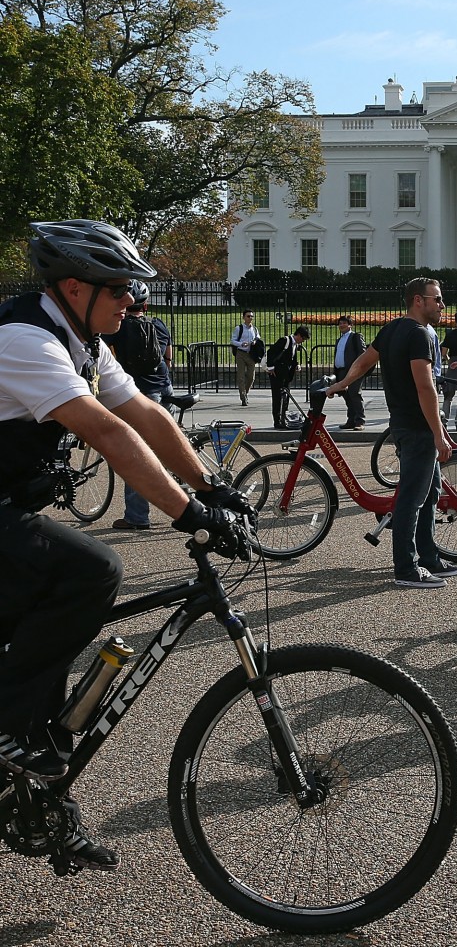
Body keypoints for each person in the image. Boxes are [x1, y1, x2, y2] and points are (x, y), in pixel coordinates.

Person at [0, 219, 255, 872]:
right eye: (119, 290)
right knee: (91, 569)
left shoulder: (82, 338)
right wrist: (190, 513)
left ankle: (41, 808)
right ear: (75, 287)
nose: (131, 302)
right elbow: (106, 432)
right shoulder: (25, 338)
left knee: (50, 655)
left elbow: (143, 413)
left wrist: (213, 485)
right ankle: (12, 728)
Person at [326, 277, 457, 589]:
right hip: (417, 427)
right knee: (412, 500)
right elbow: (425, 387)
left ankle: (429, 558)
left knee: (429, 495)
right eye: (436, 299)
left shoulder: (392, 329)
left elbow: (363, 362)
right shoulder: (419, 335)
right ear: (417, 300)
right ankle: (406, 568)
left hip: (402, 423)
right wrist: (438, 433)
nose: (442, 305)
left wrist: (342, 383)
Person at [101, 280, 171, 530]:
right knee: (169, 444)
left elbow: (107, 359)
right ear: (147, 305)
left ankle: (137, 517)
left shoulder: (117, 327)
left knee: (135, 454)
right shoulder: (158, 325)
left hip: (139, 392)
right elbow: (168, 358)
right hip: (164, 387)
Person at [266, 324, 310, 429]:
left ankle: (283, 418)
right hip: (276, 373)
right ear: (298, 335)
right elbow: (271, 352)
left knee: (285, 398)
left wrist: (296, 365)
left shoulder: (295, 344)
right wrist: (271, 367)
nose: (302, 341)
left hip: (286, 375)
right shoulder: (285, 340)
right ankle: (277, 421)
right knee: (277, 398)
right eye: (303, 339)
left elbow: (291, 358)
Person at [333, 315, 367, 430]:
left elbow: (362, 353)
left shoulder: (355, 337)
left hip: (354, 371)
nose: (341, 325)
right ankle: (351, 420)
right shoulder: (339, 339)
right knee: (347, 396)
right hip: (341, 371)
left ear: (350, 325)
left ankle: (360, 421)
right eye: (340, 323)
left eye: (344, 323)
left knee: (355, 394)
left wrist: (357, 368)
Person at [231, 309, 262, 406]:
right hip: (241, 353)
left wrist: (255, 342)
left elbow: (258, 338)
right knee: (241, 377)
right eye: (248, 316)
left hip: (251, 354)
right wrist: (241, 344)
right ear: (243, 317)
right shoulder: (239, 328)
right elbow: (233, 341)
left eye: (252, 316)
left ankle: (245, 392)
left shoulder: (255, 329)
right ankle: (243, 397)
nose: (250, 318)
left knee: (251, 377)